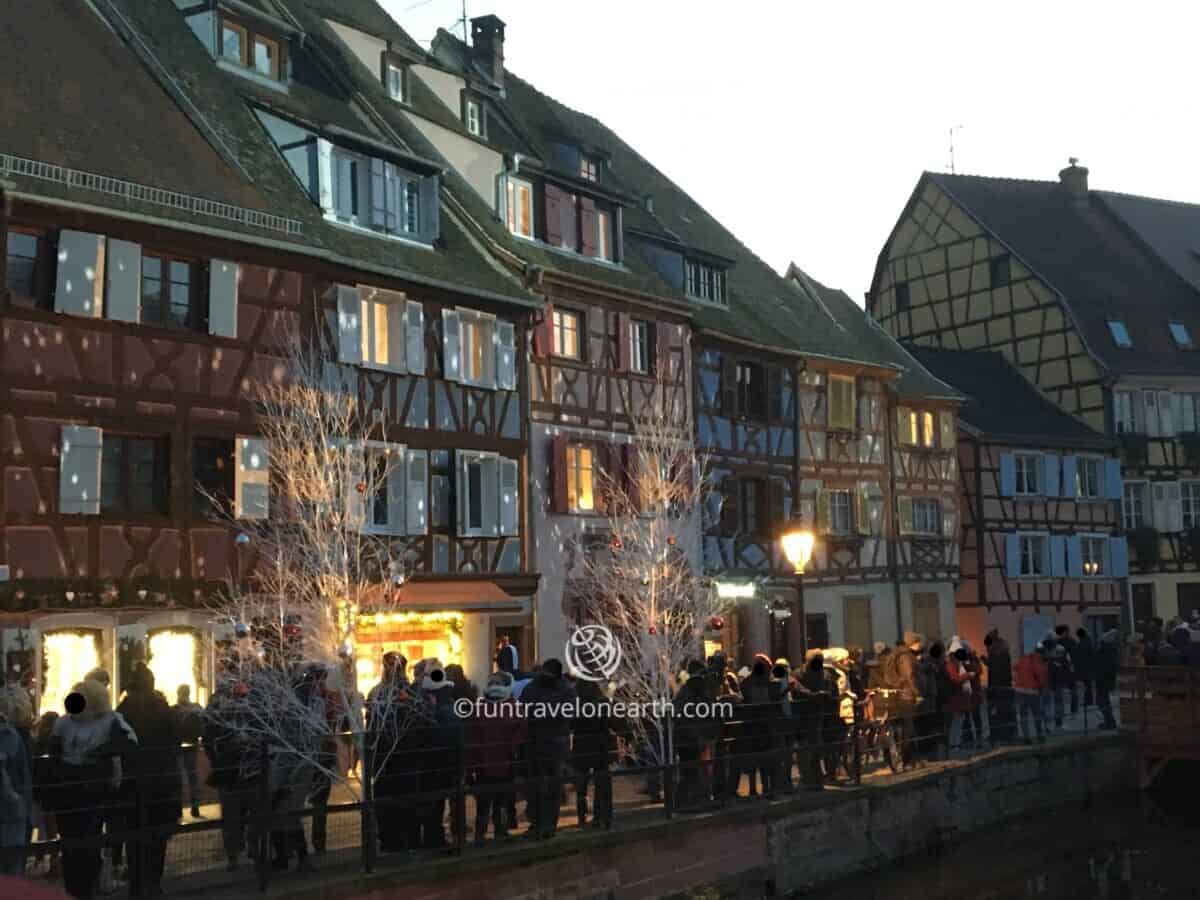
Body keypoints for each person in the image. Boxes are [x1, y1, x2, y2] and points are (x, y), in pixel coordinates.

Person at [50, 677, 137, 900]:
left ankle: (84, 889)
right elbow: (53, 752)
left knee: (88, 843)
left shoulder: (110, 721)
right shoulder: (64, 723)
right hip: (69, 789)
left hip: (93, 789)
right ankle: (75, 889)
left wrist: (101, 752)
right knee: (71, 844)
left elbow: (130, 743)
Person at [117, 664, 182, 900]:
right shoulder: (163, 708)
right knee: (158, 838)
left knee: (134, 838)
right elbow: (176, 739)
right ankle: (154, 883)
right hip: (163, 782)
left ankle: (137, 885)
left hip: (133, 783)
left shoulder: (124, 709)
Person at [203, 680, 260, 871]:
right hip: (245, 770)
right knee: (247, 811)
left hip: (229, 770)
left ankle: (235, 854)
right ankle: (246, 851)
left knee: (233, 815)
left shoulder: (218, 712)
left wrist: (215, 760)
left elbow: (208, 738)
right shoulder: (247, 710)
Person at [519, 659, 575, 839]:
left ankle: (541, 823)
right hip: (553, 742)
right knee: (548, 786)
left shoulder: (533, 687)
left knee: (542, 785)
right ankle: (546, 824)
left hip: (539, 741)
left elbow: (524, 710)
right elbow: (569, 714)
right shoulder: (566, 689)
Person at [470, 671, 525, 844]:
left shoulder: (479, 707)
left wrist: (472, 764)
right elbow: (521, 732)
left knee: (483, 802)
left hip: (483, 764)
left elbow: (472, 737)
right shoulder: (513, 706)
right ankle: (500, 832)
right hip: (506, 762)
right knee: (502, 799)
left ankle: (480, 834)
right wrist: (513, 752)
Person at [572, 677, 614, 826]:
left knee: (581, 786)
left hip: (581, 747)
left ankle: (581, 816)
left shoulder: (576, 704)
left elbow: (570, 724)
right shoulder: (603, 703)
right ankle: (602, 815)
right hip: (600, 746)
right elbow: (611, 722)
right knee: (602, 783)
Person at [0, 687, 32, 876]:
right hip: (12, 814)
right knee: (12, 870)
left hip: (13, 810)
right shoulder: (12, 736)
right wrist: (17, 800)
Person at [30, 711, 61, 877]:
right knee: (51, 827)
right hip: (53, 790)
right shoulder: (56, 743)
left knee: (40, 827)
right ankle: (53, 861)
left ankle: (40, 858)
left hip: (39, 790)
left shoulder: (37, 743)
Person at [172, 684, 205, 819]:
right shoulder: (196, 708)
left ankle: (179, 807)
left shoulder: (174, 710)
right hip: (192, 744)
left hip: (179, 746)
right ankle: (195, 805)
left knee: (180, 777)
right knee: (192, 776)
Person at [1014, 642, 1049, 744]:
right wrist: (1043, 688)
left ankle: (1026, 737)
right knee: (1036, 714)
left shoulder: (1024, 658)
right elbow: (1042, 678)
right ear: (1042, 653)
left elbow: (1015, 667)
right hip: (1033, 691)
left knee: (1023, 715)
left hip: (1020, 690)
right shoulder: (1039, 662)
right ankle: (1040, 735)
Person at [984, 630, 1015, 742]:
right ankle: (1007, 733)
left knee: (997, 711)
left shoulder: (996, 653)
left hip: (997, 687)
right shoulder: (1003, 653)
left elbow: (995, 669)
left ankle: (998, 733)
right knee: (1005, 711)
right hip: (1003, 686)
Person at [944, 640, 974, 754]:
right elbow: (955, 679)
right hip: (955, 697)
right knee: (955, 723)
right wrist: (968, 675)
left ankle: (956, 743)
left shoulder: (958, 664)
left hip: (959, 697)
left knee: (958, 722)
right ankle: (954, 744)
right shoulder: (951, 665)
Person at [1094, 630, 1121, 729]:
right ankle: (1109, 721)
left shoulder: (1104, 652)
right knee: (1104, 701)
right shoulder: (1113, 651)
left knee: (1102, 701)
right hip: (1106, 680)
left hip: (1103, 680)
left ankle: (1110, 721)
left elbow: (1101, 666)